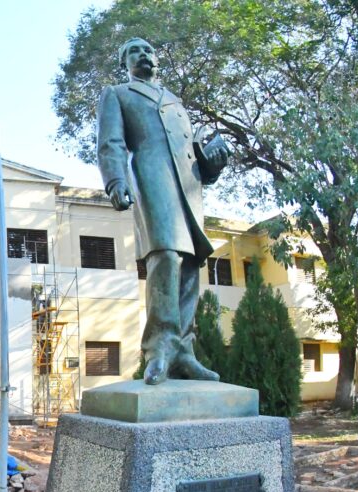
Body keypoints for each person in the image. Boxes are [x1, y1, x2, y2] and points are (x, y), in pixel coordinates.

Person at [97, 38, 229, 385]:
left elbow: (190, 152)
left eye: (148, 50)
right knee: (166, 255)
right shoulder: (117, 93)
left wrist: (212, 164)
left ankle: (184, 351)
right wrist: (115, 181)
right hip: (150, 177)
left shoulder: (175, 102)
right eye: (134, 50)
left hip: (189, 188)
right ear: (125, 62)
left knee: (189, 264)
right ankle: (159, 347)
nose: (143, 54)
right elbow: (110, 142)